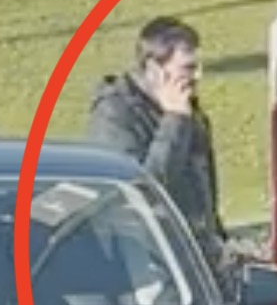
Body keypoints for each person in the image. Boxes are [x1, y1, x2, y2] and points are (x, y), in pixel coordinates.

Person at [85, 16, 226, 264]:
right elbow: (143, 187)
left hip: (195, 251)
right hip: (144, 255)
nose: (198, 76)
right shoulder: (115, 114)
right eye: (188, 68)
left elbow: (203, 184)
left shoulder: (188, 107)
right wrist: (174, 121)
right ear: (155, 69)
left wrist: (218, 239)